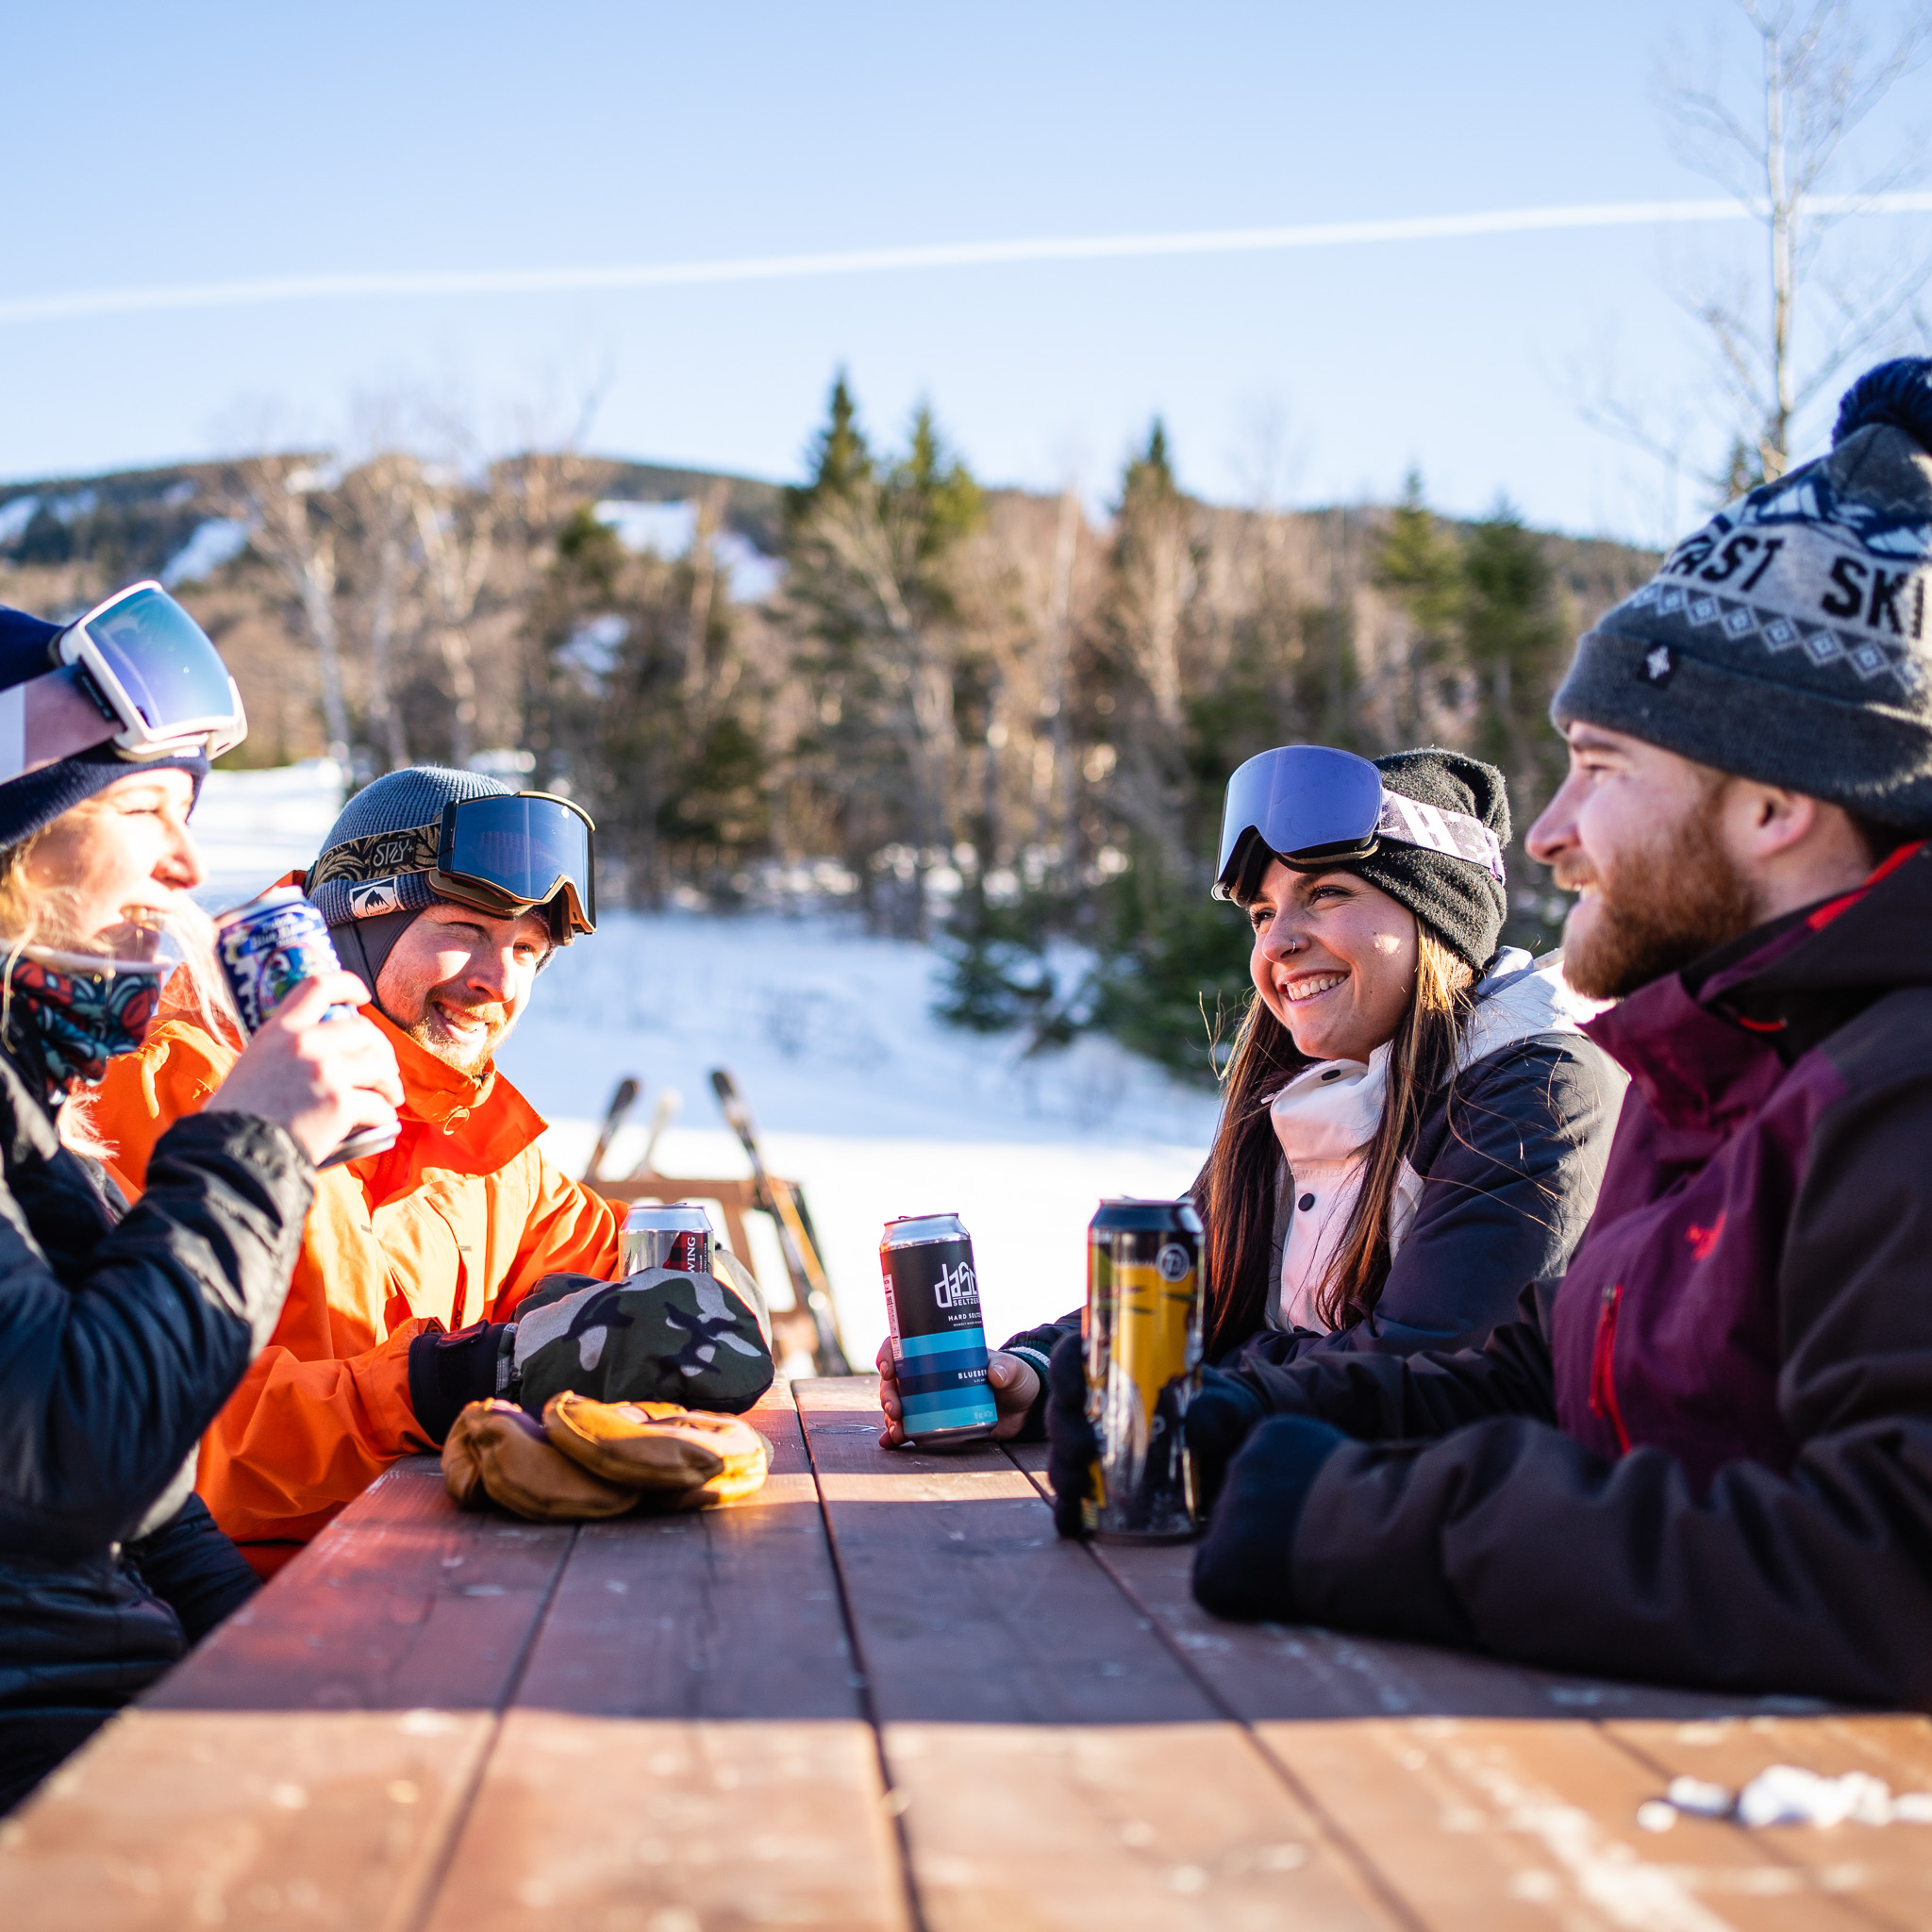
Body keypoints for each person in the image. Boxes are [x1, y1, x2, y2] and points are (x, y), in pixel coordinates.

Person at [1171, 357, 1932, 1709]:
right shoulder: (1729, 1078)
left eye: (1603, 767)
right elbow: (1546, 1362)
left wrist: (1356, 1521)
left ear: (1774, 808)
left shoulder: (1901, 1095)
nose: (1551, 832)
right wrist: (1275, 1414)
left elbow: (1890, 1568)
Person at [92, 765, 769, 1577]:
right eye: (467, 931)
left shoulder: (480, 1141)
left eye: (527, 948)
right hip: (214, 1610)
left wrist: (705, 1301)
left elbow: (628, 1267)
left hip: (426, 1582)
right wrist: (435, 1384)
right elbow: (145, 1438)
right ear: (358, 922)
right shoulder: (174, 1090)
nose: (500, 981)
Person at [876, 746, 1625, 1460]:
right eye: (1263, 915)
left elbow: (1429, 1369)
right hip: (1300, 1515)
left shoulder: (1540, 1087)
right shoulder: (1303, 1097)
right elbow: (1190, 1297)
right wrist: (1036, 1374)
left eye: (1326, 893)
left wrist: (1149, 1381)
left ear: (1439, 919)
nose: (1278, 944)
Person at [0, 583, 403, 1810]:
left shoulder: (29, 1118)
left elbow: (158, 1507)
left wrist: (289, 1682)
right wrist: (250, 1144)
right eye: (141, 810)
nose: (186, 865)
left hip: (121, 1723)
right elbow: (75, 1460)